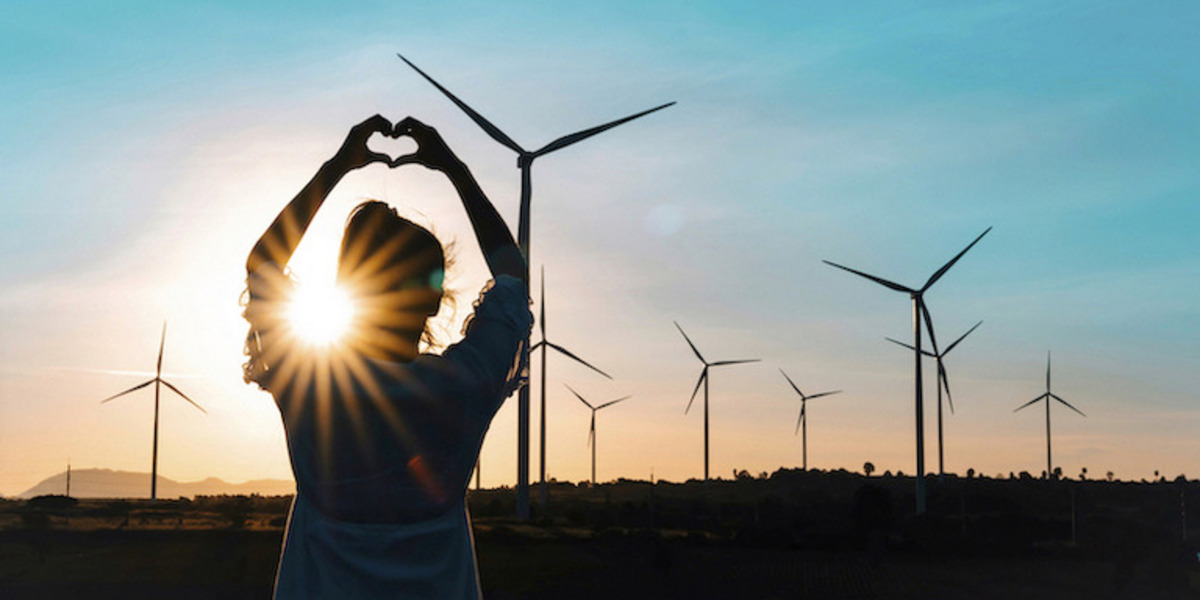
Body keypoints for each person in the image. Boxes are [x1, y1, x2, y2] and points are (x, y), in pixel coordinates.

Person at [243, 114, 531, 599]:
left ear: (349, 289)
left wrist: (336, 167)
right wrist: (455, 169)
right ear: (437, 299)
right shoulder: (465, 383)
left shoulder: (311, 385)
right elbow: (512, 279)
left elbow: (263, 265)